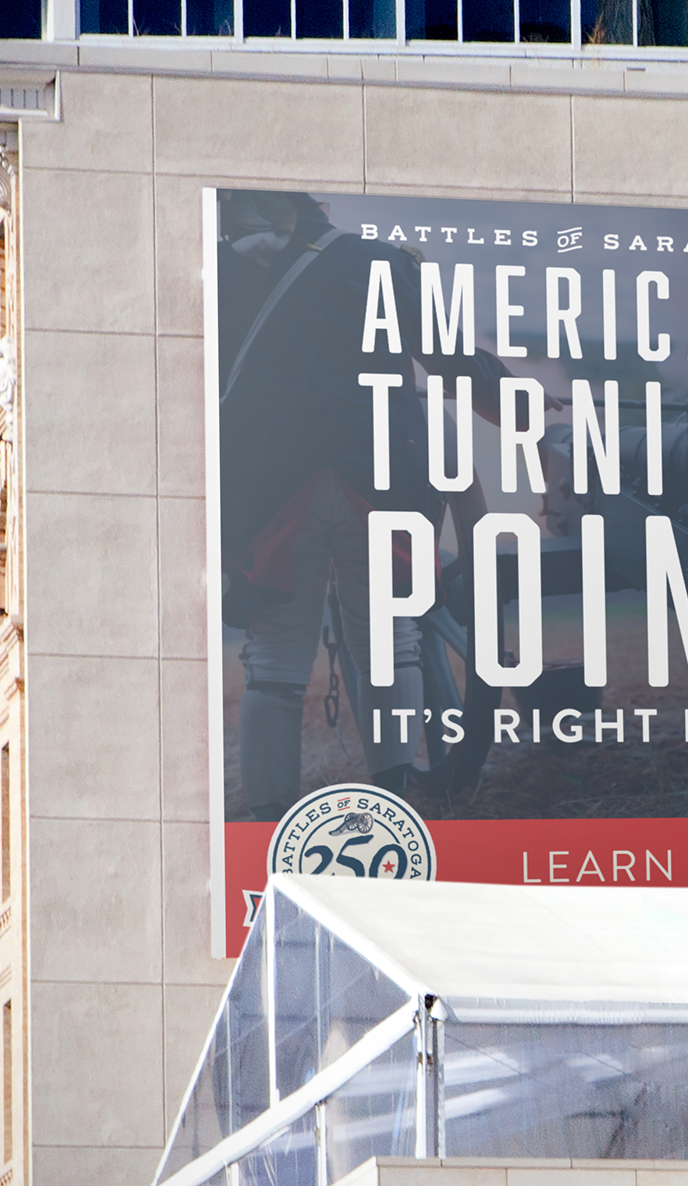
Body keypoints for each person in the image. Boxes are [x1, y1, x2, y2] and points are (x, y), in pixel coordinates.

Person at [217, 191, 511, 821]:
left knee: (272, 662)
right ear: (318, 203)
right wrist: (518, 403)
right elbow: (454, 361)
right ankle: (395, 802)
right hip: (376, 481)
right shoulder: (383, 264)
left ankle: (270, 823)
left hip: (272, 488)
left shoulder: (222, 273)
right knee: (389, 643)